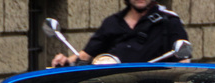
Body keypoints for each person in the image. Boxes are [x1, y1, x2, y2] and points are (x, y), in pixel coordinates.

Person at [51, 0, 190, 67]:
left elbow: (183, 62)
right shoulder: (112, 22)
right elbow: (85, 55)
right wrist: (65, 61)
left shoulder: (169, 22)